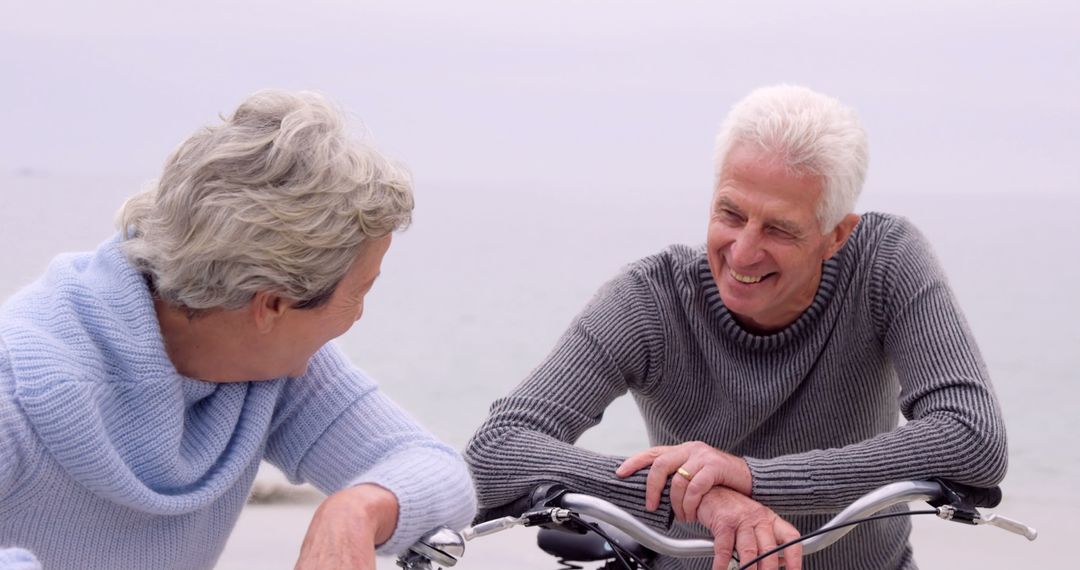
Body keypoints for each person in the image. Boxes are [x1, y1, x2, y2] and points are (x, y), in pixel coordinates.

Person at [465, 85, 1007, 570]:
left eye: (779, 229)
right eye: (730, 214)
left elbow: (973, 437)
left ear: (836, 235)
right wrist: (700, 494)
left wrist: (750, 478)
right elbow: (494, 450)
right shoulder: (650, 300)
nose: (743, 251)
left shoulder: (883, 263)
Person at [0, 90, 476, 569]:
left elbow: (437, 471)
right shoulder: (16, 388)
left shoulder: (259, 364)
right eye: (360, 291)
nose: (358, 315)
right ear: (272, 304)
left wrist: (357, 508)